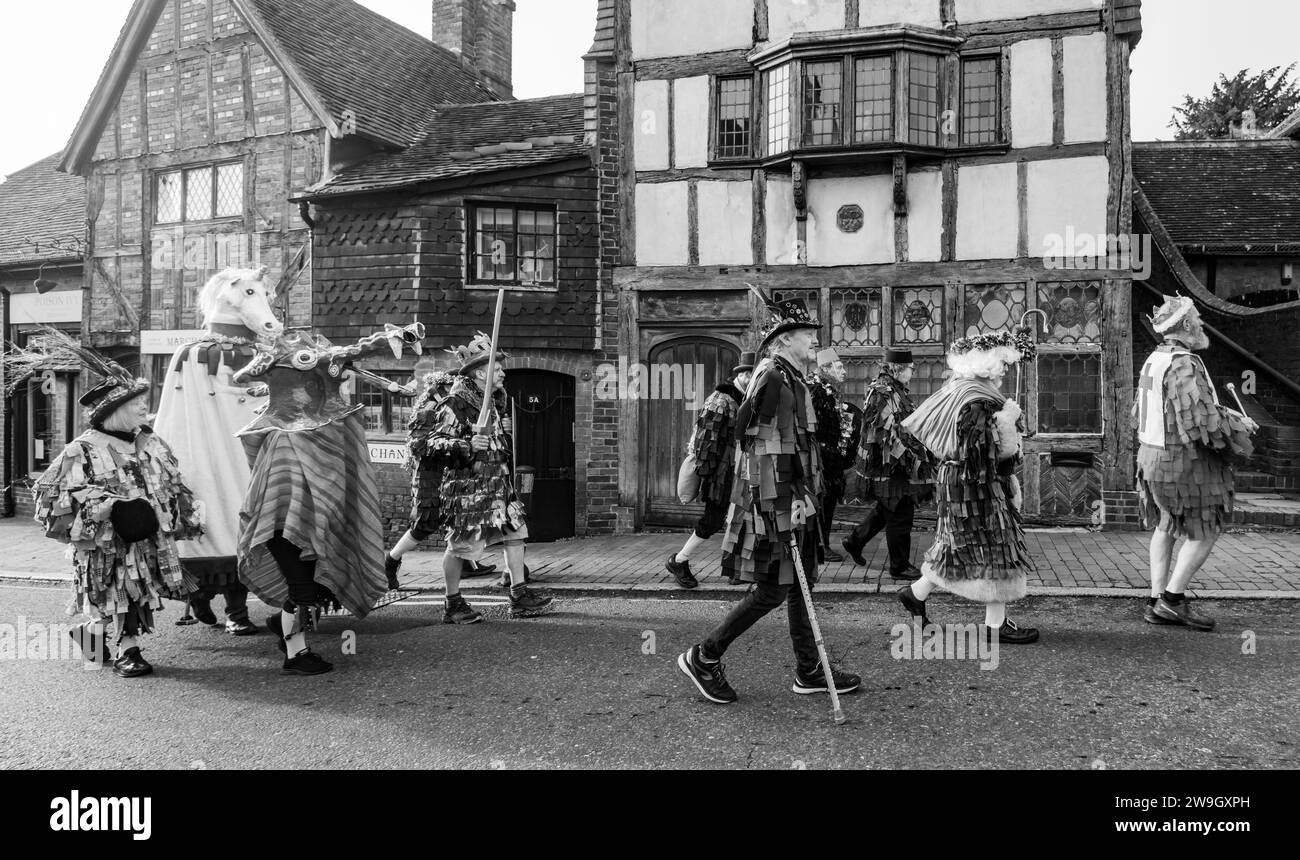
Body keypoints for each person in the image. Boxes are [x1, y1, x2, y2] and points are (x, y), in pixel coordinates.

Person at [677, 289, 861, 704]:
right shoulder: (773, 377)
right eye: (805, 332)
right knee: (773, 589)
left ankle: (809, 670)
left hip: (796, 497)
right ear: (782, 340)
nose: (815, 338)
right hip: (777, 500)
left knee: (801, 583)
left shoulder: (792, 377)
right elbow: (760, 444)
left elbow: (796, 443)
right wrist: (789, 498)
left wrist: (803, 493)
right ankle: (704, 656)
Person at [235, 325, 422, 675]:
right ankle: (295, 654)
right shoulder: (287, 441)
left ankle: (284, 627)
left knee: (313, 587)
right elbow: (281, 497)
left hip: (306, 527)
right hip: (283, 528)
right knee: (303, 590)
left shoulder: (329, 434)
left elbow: (333, 487)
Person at [19, 331, 203, 677]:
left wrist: (181, 512)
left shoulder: (151, 442)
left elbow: (172, 481)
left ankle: (90, 636)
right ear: (116, 411)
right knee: (117, 590)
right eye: (135, 403)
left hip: (147, 536)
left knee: (130, 593)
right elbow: (50, 497)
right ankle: (127, 651)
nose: (143, 407)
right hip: (107, 543)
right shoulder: (83, 449)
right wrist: (107, 505)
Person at [154, 267, 279, 636]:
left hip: (243, 459)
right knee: (209, 525)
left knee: (240, 521)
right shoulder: (195, 354)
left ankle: (237, 611)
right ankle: (201, 600)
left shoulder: (257, 353)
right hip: (204, 462)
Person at [897, 330, 1039, 645]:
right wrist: (1008, 421)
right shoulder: (978, 400)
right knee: (998, 545)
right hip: (976, 484)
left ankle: (915, 593)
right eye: (1001, 361)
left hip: (957, 482)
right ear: (986, 363)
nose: (1004, 368)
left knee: (958, 545)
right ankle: (994, 625)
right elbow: (986, 454)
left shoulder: (958, 390)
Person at [1134, 295, 1257, 630]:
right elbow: (1199, 423)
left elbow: (1170, 411)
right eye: (1199, 320)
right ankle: (1172, 601)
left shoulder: (1155, 359)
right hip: (1181, 460)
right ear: (1186, 325)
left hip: (1151, 456)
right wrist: (1239, 426)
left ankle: (1156, 599)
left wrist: (1225, 413)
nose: (1202, 324)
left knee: (1167, 525)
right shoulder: (1184, 363)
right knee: (1205, 529)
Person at [428, 334, 552, 619]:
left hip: (499, 484)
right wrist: (467, 444)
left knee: (516, 533)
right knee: (461, 547)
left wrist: (501, 433)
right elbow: (434, 444)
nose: (503, 372)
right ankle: (452, 603)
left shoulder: (496, 400)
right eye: (497, 369)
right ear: (481, 373)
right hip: (468, 490)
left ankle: (519, 595)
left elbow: (498, 444)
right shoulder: (456, 403)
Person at [383, 370, 496, 601]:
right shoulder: (429, 410)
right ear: (441, 388)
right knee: (426, 522)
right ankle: (391, 560)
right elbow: (419, 445)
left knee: (457, 520)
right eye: (450, 386)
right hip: (429, 473)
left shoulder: (457, 406)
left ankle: (466, 563)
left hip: (451, 471)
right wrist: (463, 445)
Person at [665, 351, 754, 588]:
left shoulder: (745, 398)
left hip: (739, 471)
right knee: (713, 521)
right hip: (721, 474)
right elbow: (705, 436)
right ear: (744, 375)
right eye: (751, 374)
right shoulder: (721, 399)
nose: (752, 378)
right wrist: (708, 472)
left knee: (741, 517)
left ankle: (736, 569)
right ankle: (679, 560)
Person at [842, 348, 932, 580]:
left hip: (894, 464)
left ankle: (855, 541)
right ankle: (899, 566)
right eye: (911, 369)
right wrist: (909, 455)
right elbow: (884, 432)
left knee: (887, 510)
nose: (912, 373)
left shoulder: (894, 390)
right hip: (890, 465)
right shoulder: (883, 392)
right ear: (899, 369)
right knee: (901, 514)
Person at [808, 347, 860, 562]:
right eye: (839, 367)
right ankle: (820, 546)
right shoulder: (818, 391)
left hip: (828, 457)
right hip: (821, 459)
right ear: (826, 368)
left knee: (826, 503)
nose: (844, 371)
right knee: (822, 503)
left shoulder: (827, 389)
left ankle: (822, 545)